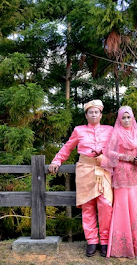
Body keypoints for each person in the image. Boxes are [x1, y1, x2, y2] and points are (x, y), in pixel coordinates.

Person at [48, 99, 113, 257]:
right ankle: (92, 241)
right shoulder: (79, 130)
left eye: (96, 112)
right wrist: (56, 161)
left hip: (104, 170)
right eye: (90, 112)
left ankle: (105, 241)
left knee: (105, 204)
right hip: (85, 170)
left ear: (101, 114)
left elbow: (119, 147)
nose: (94, 115)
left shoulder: (110, 130)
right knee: (88, 206)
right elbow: (67, 147)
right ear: (86, 115)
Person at [101, 105, 137, 258]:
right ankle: (122, 246)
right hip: (122, 173)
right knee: (122, 206)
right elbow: (108, 152)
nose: (126, 120)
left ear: (132, 118)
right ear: (119, 119)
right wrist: (127, 157)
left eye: (128, 117)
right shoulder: (116, 132)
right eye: (123, 117)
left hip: (135, 173)